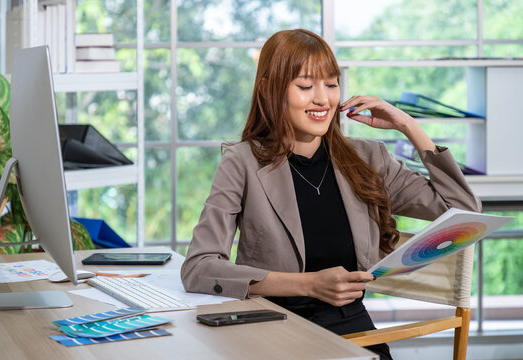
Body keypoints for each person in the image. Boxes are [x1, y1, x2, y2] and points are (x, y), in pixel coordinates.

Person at [181, 29, 481, 360]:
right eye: (306, 86)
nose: (323, 99)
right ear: (268, 89)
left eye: (332, 84)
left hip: (351, 329)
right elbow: (200, 267)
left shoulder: (369, 158)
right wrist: (308, 284)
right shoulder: (242, 162)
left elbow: (462, 209)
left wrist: (407, 125)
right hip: (271, 327)